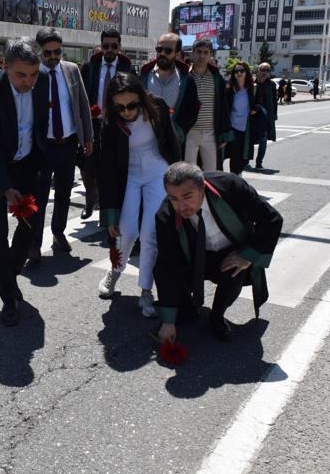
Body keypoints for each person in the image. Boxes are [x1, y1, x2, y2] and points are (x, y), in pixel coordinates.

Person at [153, 162, 283, 342]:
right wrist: (168, 321)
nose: (181, 206)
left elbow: (271, 219)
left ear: (202, 187)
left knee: (235, 268)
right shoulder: (165, 213)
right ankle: (185, 310)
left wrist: (247, 255)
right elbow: (166, 262)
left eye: (187, 196)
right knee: (170, 271)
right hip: (194, 257)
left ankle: (217, 318)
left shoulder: (231, 186)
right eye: (173, 198)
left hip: (229, 253)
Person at [0, 38, 49, 326]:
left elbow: (41, 126)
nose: (29, 81)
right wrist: (5, 188)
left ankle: (11, 272)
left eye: (33, 74)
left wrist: (42, 166)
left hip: (26, 163)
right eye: (21, 75)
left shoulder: (43, 82)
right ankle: (8, 297)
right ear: (5, 67)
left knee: (31, 223)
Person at [97, 72, 182, 318]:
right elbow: (107, 169)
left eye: (132, 105)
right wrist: (109, 213)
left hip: (157, 171)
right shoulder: (111, 122)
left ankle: (146, 289)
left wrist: (178, 178)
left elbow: (172, 143)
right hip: (129, 176)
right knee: (126, 230)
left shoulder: (157, 107)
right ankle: (115, 270)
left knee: (150, 233)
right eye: (119, 106)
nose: (126, 111)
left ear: (141, 97)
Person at [28, 28, 94, 263]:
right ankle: (34, 243)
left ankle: (58, 232)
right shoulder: (32, 74)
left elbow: (83, 105)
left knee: (65, 192)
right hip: (43, 146)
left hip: (68, 143)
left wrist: (88, 137)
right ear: (39, 52)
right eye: (48, 53)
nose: (54, 57)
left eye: (57, 52)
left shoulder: (72, 70)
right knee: (40, 196)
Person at [79, 28, 135, 220]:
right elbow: (82, 95)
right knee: (87, 167)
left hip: (117, 124)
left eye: (114, 45)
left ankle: (108, 206)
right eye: (106, 45)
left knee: (112, 168)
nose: (109, 49)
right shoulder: (90, 67)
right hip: (93, 123)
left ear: (119, 46)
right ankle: (90, 200)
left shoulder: (128, 68)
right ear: (101, 46)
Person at [174, 38, 231, 172]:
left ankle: (208, 194)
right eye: (198, 51)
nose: (202, 55)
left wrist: (224, 133)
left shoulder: (217, 78)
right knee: (189, 172)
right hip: (190, 133)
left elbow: (223, 107)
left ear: (210, 54)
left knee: (211, 172)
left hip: (211, 132)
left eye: (206, 52)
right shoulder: (183, 77)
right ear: (192, 53)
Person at [139, 32, 190, 119]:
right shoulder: (144, 76)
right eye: (159, 49)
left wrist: (179, 130)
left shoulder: (186, 79)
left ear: (177, 54)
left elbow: (192, 110)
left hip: (173, 132)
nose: (162, 53)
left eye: (168, 51)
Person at [224, 62, 257, 175]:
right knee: (235, 158)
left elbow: (258, 104)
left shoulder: (251, 89)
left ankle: (236, 179)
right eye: (236, 71)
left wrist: (255, 109)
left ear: (246, 72)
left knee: (245, 159)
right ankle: (235, 182)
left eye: (241, 71)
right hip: (233, 128)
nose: (239, 73)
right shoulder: (229, 90)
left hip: (247, 129)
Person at [254, 62, 278, 170]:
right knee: (249, 139)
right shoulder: (252, 83)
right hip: (252, 116)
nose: (264, 72)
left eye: (267, 70)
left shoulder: (272, 84)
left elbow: (274, 101)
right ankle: (245, 160)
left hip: (265, 118)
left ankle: (259, 162)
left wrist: (274, 115)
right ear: (258, 70)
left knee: (263, 140)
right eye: (262, 70)